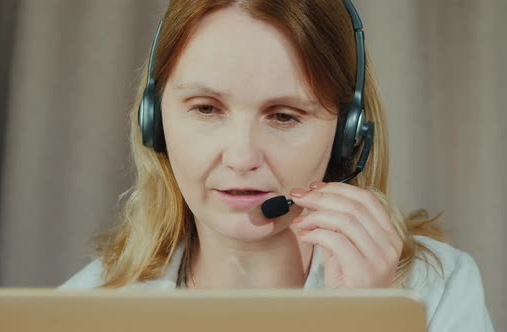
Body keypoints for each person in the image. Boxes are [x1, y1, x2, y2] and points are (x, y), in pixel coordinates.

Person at [60, 0, 494, 330]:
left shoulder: (437, 292)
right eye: (206, 109)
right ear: (153, 119)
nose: (242, 157)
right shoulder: (82, 310)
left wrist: (365, 319)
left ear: (348, 135)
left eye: (284, 116)